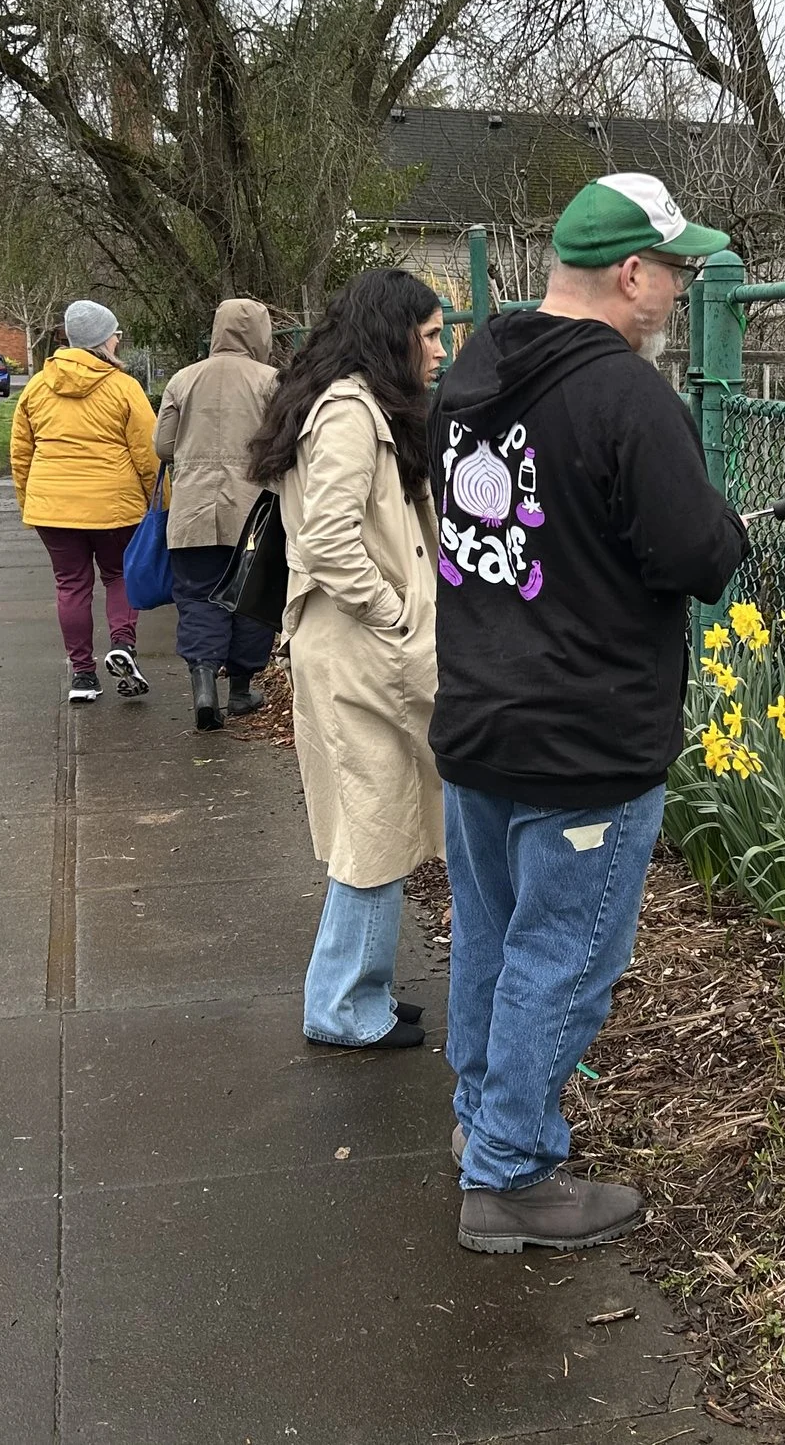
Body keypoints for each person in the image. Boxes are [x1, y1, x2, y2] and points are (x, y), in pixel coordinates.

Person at [431, 173, 746, 1253]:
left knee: (490, 937)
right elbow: (691, 557)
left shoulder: (472, 371)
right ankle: (512, 1175)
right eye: (673, 272)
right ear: (629, 273)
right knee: (563, 955)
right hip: (586, 738)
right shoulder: (628, 399)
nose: (677, 293)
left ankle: (482, 1128)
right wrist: (730, 526)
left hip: (479, 720)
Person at [248, 268, 448, 1051]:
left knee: (380, 821)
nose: (439, 349)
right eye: (429, 334)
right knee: (373, 826)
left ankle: (357, 991)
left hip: (362, 647)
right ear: (392, 335)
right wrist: (393, 610)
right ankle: (340, 1005)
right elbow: (330, 536)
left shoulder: (352, 403)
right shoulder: (349, 414)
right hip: (362, 648)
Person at [10, 300, 161, 704]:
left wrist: (30, 503)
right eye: (116, 334)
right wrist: (157, 503)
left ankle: (82, 674)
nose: (118, 341)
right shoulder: (123, 387)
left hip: (52, 508)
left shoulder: (37, 387)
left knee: (71, 585)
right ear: (102, 340)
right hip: (114, 506)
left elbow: (21, 453)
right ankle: (123, 646)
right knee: (118, 574)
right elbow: (148, 455)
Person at [153, 297, 279, 726]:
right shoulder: (272, 381)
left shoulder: (182, 380)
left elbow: (163, 447)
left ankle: (204, 686)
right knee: (251, 598)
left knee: (198, 597)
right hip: (254, 512)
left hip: (192, 512)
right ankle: (240, 693)